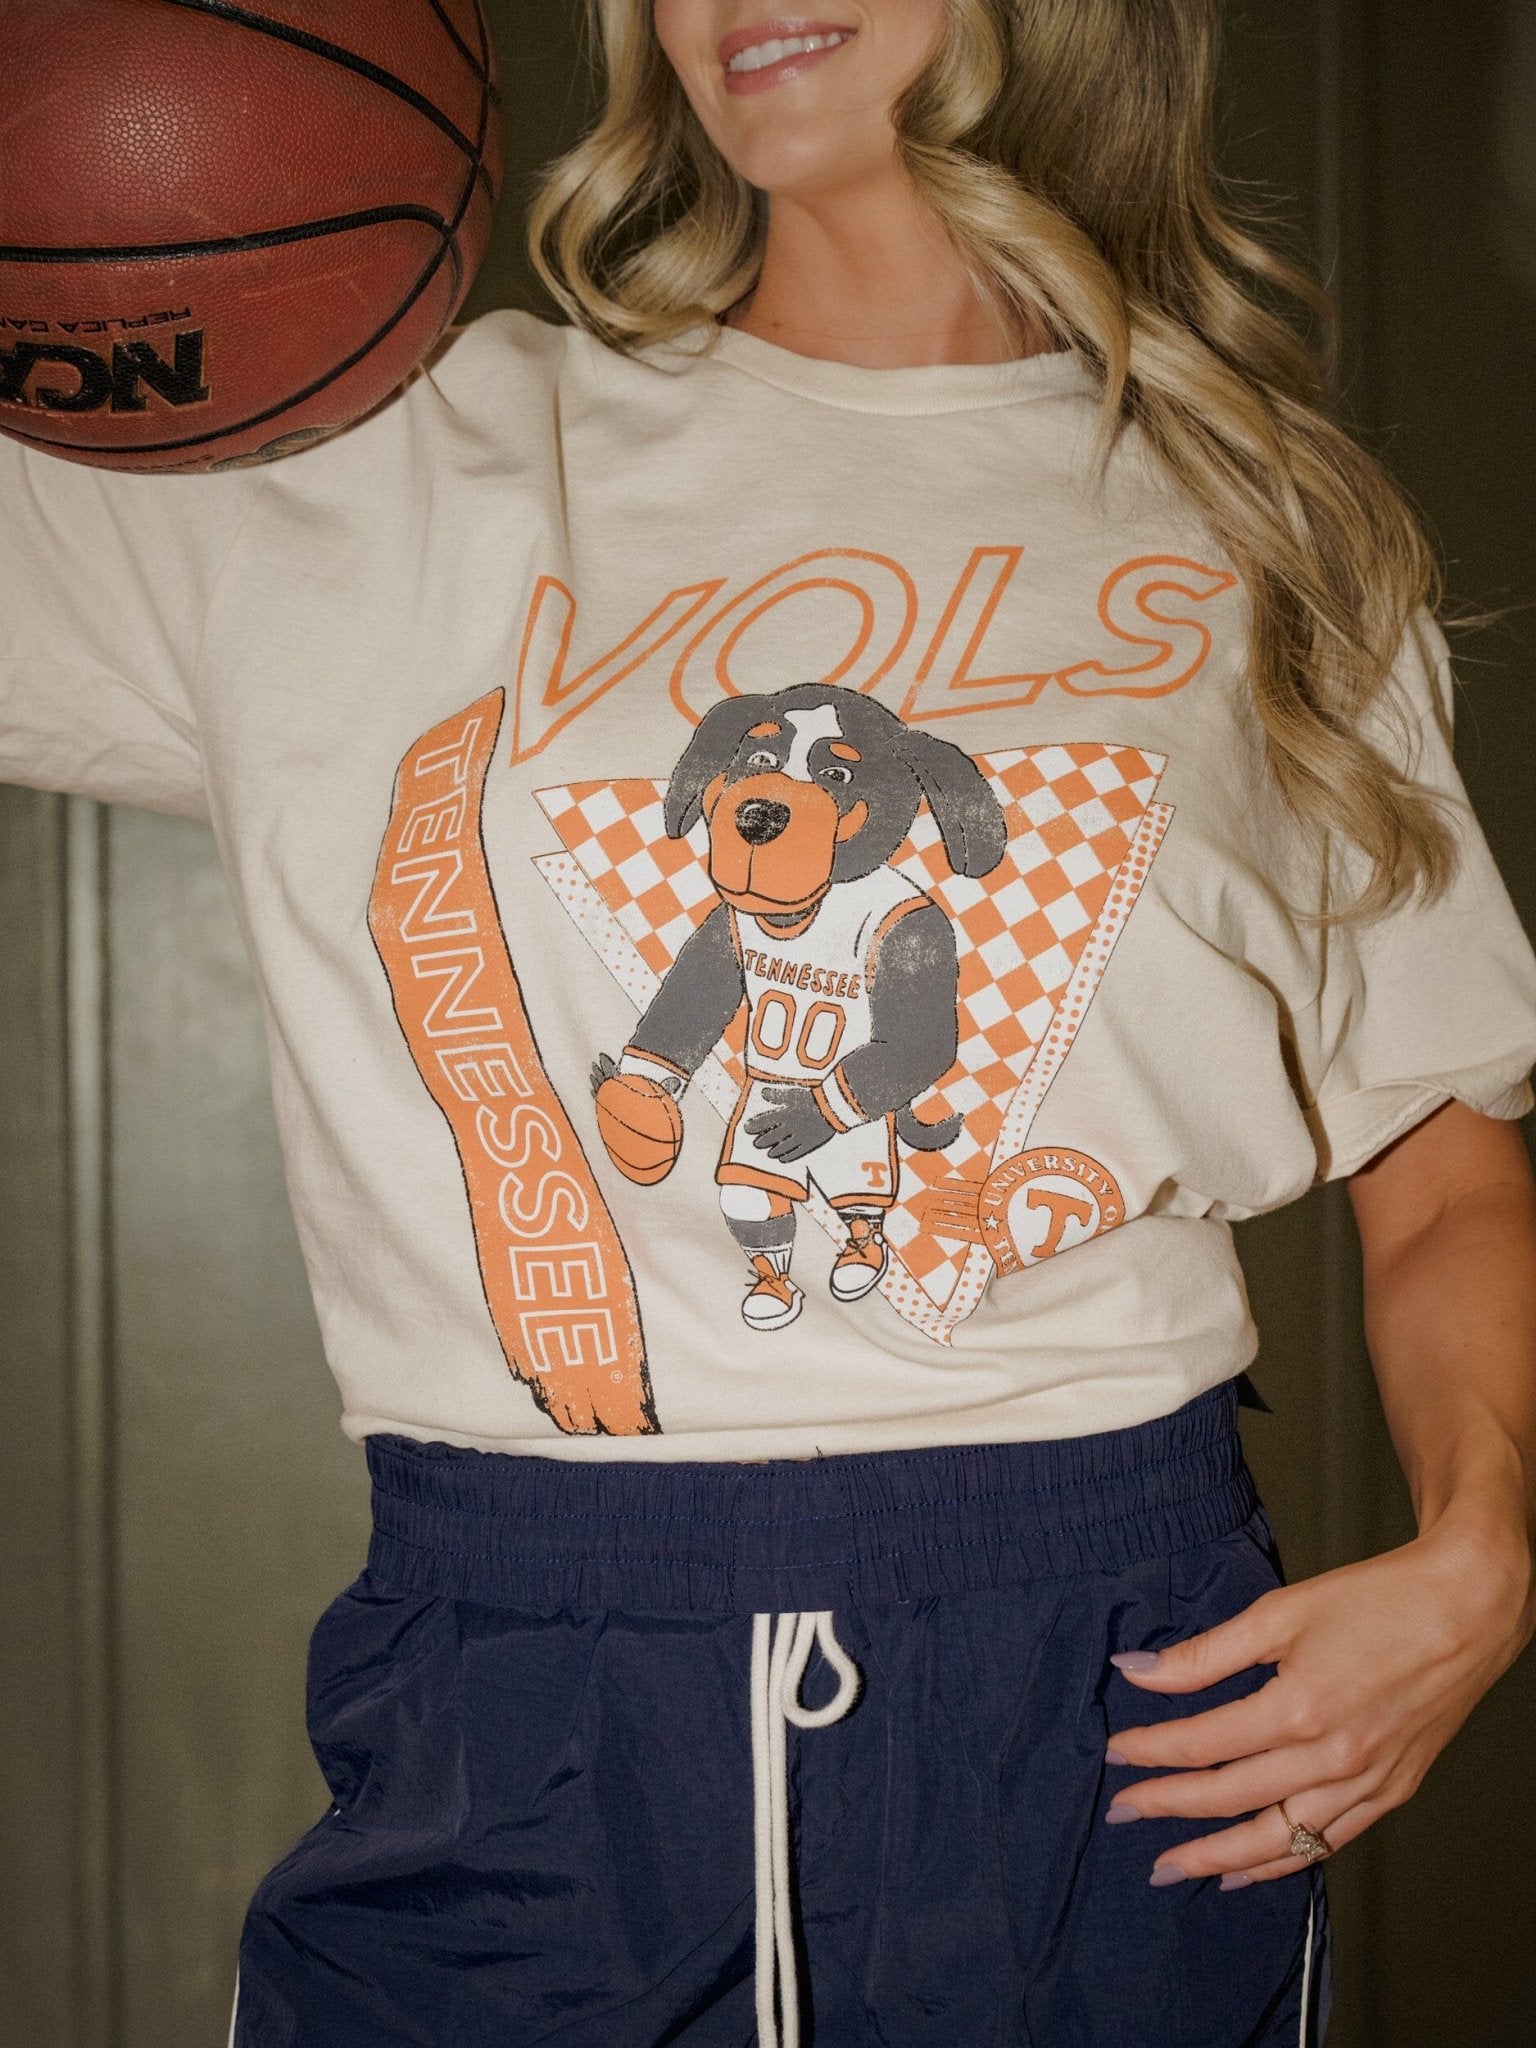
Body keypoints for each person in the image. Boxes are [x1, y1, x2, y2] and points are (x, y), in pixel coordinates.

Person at [3, 2, 1535, 2043]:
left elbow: (1437, 1150)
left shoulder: (1269, 527)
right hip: (516, 1666)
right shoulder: (366, 456)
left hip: (1098, 1678)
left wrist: (1485, 1548)